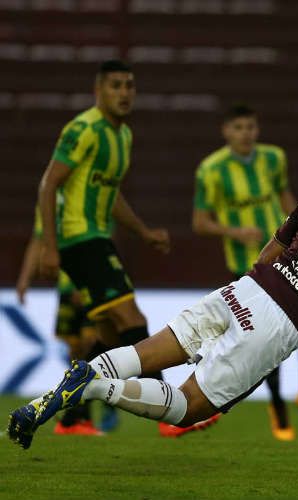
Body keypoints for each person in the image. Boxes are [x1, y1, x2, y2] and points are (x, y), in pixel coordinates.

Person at [8, 131, 298, 450]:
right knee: (188, 407)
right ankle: (92, 385)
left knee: (146, 352)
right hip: (276, 322)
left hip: (245, 289)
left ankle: (56, 393)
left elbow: (270, 255)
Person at [33, 59, 213, 437]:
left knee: (109, 339)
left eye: (129, 85)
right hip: (80, 239)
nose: (124, 92)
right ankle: (170, 415)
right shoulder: (83, 129)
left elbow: (111, 195)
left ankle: (71, 418)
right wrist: (49, 246)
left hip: (97, 239)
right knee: (133, 321)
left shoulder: (123, 136)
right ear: (98, 91)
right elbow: (49, 184)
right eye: (115, 85)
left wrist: (143, 232)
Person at [192, 104, 298, 440]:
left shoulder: (273, 158)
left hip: (286, 258)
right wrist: (234, 232)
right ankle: (277, 402)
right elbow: (200, 223)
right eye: (238, 127)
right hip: (246, 267)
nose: (245, 134)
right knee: (267, 339)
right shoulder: (210, 170)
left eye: (250, 127)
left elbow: (286, 199)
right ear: (226, 131)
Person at [16, 207, 107, 436]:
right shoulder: (48, 205)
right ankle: (76, 417)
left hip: (91, 285)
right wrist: (24, 279)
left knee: (92, 343)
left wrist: (86, 280)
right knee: (75, 351)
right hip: (66, 289)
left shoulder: (86, 200)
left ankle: (81, 414)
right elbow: (38, 240)